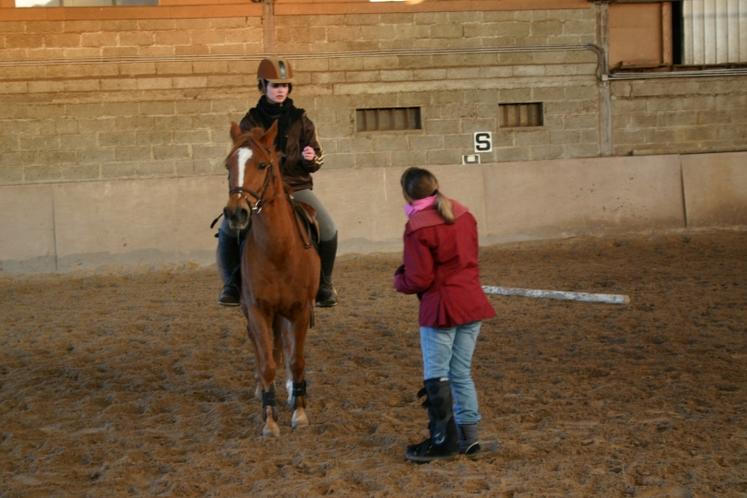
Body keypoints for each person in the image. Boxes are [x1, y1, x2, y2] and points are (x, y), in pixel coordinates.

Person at [217, 57, 338, 308]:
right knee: (230, 229)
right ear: (263, 87)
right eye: (274, 85)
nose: (281, 90)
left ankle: (324, 284)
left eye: (284, 85)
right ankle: (232, 283)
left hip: (297, 187)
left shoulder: (302, 120)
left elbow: (317, 157)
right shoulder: (250, 121)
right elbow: (243, 158)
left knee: (328, 229)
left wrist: (310, 159)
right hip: (260, 193)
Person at [394, 167, 496, 463]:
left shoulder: (417, 226)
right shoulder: (463, 213)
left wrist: (398, 279)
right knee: (461, 373)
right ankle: (470, 438)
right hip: (471, 300)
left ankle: (442, 441)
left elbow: (419, 279)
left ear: (406, 194)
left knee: (436, 376)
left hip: (441, 308)